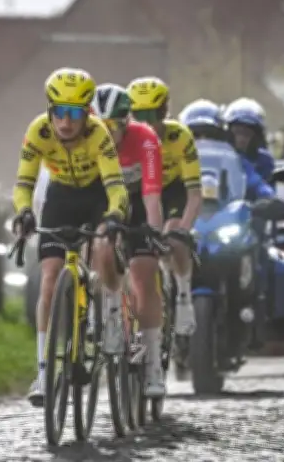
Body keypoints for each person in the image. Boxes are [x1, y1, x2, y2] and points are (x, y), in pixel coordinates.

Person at [12, 68, 129, 406]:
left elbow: (116, 187)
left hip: (96, 197)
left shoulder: (99, 135)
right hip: (60, 198)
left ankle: (107, 315)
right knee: (49, 277)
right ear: (50, 109)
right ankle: (43, 371)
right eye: (60, 112)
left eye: (75, 114)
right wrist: (24, 211)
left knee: (103, 248)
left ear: (87, 114)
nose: (66, 122)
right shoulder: (38, 131)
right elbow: (23, 184)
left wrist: (114, 215)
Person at [91, 83, 166, 396]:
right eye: (100, 127)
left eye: (113, 127)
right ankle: (109, 312)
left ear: (125, 122)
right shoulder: (88, 140)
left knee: (143, 275)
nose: (106, 134)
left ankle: (153, 365)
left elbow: (152, 196)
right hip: (104, 202)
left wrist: (154, 233)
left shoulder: (145, 139)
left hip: (138, 202)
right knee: (100, 246)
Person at [127, 77, 203, 342]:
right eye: (140, 116)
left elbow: (194, 193)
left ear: (165, 112)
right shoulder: (124, 137)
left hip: (172, 190)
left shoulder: (180, 136)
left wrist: (185, 229)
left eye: (154, 115)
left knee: (174, 237)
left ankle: (183, 294)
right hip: (139, 192)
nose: (148, 124)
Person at [180, 99, 274, 201]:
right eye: (195, 135)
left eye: (210, 135)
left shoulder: (234, 160)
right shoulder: (173, 160)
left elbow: (256, 183)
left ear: (221, 136)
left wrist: (268, 198)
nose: (203, 141)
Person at [223, 98, 275, 183]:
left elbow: (268, 188)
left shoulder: (264, 160)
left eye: (247, 133)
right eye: (237, 132)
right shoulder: (219, 157)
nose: (241, 138)